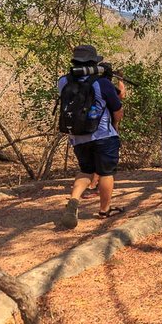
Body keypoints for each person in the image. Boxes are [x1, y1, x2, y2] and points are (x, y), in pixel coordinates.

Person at [58, 45, 124, 229]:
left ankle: (74, 200)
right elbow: (117, 110)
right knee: (106, 173)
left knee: (86, 171)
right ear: (94, 62)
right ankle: (104, 210)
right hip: (103, 135)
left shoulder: (63, 81)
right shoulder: (101, 83)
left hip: (78, 136)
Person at [83, 66, 127, 199]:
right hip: (105, 127)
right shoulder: (105, 85)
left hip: (89, 127)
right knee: (104, 162)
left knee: (94, 161)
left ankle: (93, 186)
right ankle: (95, 187)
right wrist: (120, 79)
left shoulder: (92, 84)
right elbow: (122, 95)